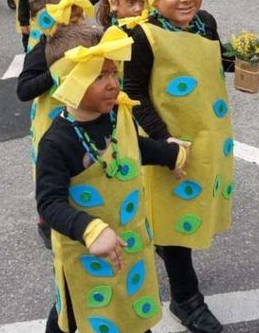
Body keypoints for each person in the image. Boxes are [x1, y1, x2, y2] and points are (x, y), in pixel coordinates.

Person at [123, 0, 255, 333]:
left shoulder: (205, 22)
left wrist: (247, 61)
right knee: (175, 218)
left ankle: (164, 247)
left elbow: (214, 57)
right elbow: (133, 93)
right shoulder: (142, 36)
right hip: (167, 143)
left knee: (193, 204)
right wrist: (164, 142)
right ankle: (186, 299)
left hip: (209, 133)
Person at [37, 24, 187, 333]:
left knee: (130, 302)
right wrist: (89, 229)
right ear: (69, 83)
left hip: (128, 237)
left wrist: (169, 154)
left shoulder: (117, 115)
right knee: (76, 309)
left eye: (112, 73)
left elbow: (134, 144)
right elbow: (49, 204)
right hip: (83, 252)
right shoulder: (56, 142)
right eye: (98, 76)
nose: (112, 84)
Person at [16, 0, 92, 248]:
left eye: (79, 17)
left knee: (83, 165)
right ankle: (46, 219)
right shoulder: (42, 50)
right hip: (50, 122)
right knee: (50, 170)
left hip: (84, 117)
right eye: (68, 21)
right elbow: (23, 90)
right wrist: (54, 72)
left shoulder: (88, 41)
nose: (76, 25)